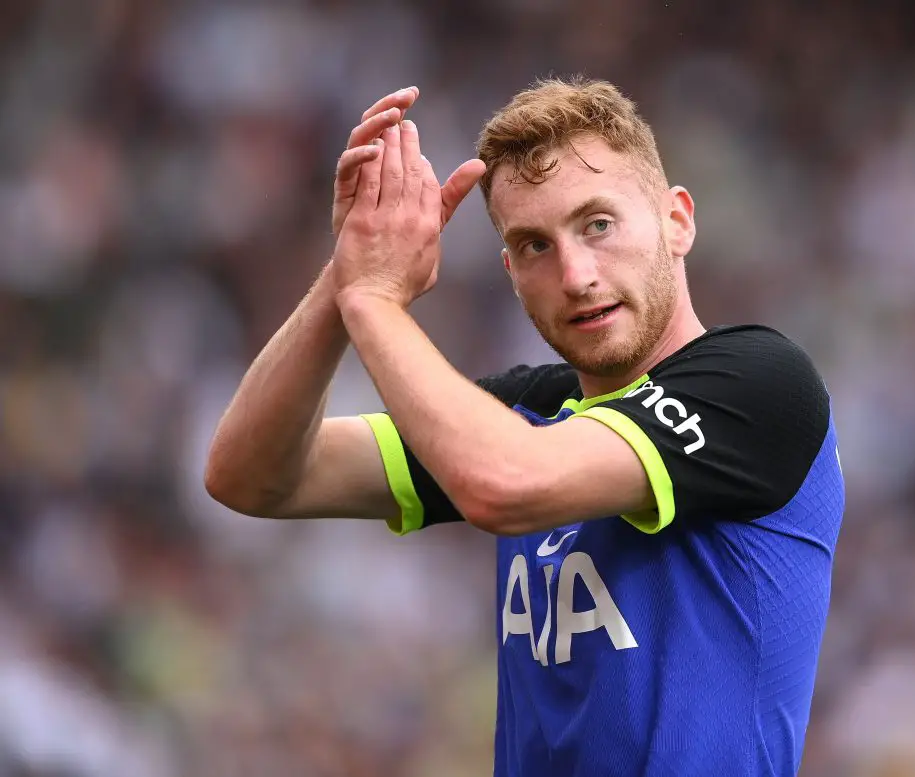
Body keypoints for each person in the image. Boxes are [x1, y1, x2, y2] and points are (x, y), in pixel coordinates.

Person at [205, 76, 845, 777]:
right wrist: (346, 274)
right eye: (535, 245)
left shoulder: (759, 383)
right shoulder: (530, 410)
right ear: (511, 271)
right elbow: (250, 476)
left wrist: (377, 299)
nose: (575, 273)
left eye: (598, 224)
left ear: (676, 221)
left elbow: (501, 482)